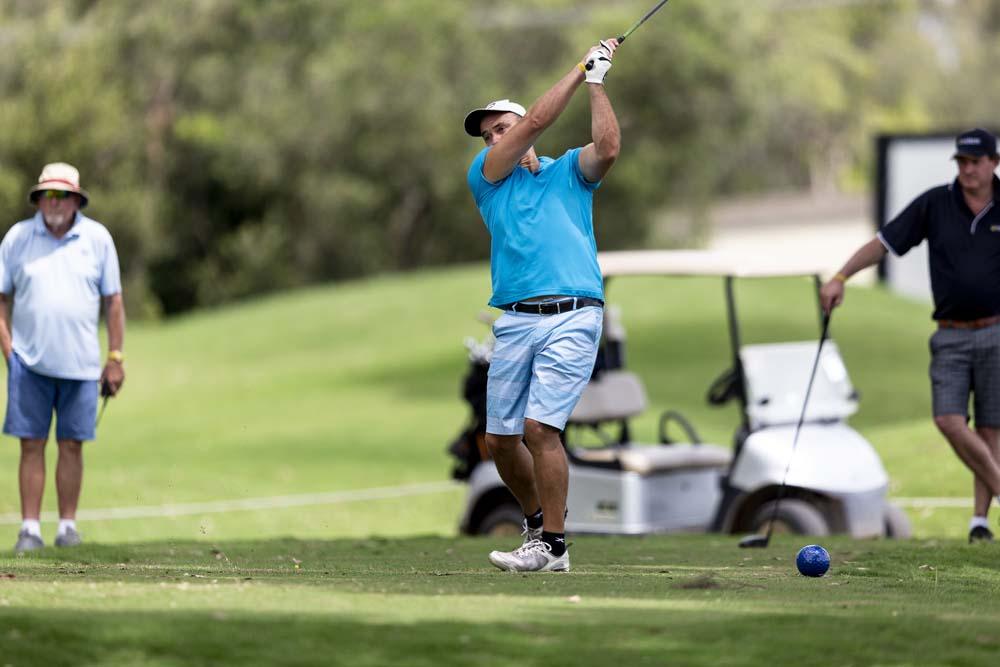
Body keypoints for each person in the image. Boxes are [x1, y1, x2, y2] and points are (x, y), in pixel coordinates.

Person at [464, 39, 620, 572]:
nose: (493, 139)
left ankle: (553, 545)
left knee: (539, 430)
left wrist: (596, 81)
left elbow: (608, 149)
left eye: (499, 129)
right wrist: (579, 67)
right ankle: (536, 526)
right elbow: (534, 120)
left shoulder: (568, 170)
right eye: (488, 135)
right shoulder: (486, 177)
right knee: (499, 440)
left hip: (575, 314)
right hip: (515, 320)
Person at [819, 128, 1000, 543]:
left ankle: (979, 522)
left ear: (993, 162)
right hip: (950, 334)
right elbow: (883, 243)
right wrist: (841, 276)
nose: (967, 169)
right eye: (961, 162)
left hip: (996, 331)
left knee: (991, 430)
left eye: (974, 162)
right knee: (949, 420)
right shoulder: (935, 203)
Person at [0, 162, 125, 552]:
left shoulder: (97, 239)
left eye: (62, 195)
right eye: (47, 195)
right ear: (38, 199)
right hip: (29, 364)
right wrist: (10, 352)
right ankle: (30, 530)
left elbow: (114, 301)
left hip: (82, 365)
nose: (53, 202)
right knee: (31, 445)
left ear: (76, 200)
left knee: (72, 445)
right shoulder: (17, 238)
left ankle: (67, 527)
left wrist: (115, 357)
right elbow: (1, 299)